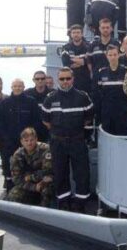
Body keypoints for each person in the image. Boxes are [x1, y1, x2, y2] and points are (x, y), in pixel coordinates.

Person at [41, 67, 94, 212]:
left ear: (73, 79)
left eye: (68, 78)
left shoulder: (82, 97)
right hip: (58, 143)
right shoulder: (50, 98)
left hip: (77, 141)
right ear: (58, 80)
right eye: (62, 79)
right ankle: (64, 201)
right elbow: (46, 121)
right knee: (60, 173)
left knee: (82, 173)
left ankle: (81, 202)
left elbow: (89, 118)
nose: (65, 81)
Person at [0, 79, 41, 192]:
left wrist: (31, 136)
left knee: (28, 161)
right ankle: (9, 184)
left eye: (20, 86)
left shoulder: (31, 102)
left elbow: (36, 119)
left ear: (23, 87)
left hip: (27, 140)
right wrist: (5, 137)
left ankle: (27, 185)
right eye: (15, 86)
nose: (17, 88)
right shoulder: (4, 103)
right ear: (11, 87)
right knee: (8, 162)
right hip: (9, 140)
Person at [7, 127, 53, 207]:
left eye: (32, 140)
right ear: (21, 142)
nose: (29, 143)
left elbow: (47, 172)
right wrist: (34, 187)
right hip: (29, 186)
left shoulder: (45, 149)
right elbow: (16, 179)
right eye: (26, 141)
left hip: (45, 183)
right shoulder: (17, 155)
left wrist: (30, 177)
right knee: (13, 196)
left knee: (47, 191)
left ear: (36, 139)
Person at [93, 45, 127, 135]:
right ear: (106, 56)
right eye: (110, 55)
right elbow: (97, 94)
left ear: (119, 55)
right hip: (107, 112)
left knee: (122, 138)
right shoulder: (101, 72)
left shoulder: (126, 71)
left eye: (115, 54)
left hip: (122, 112)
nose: (113, 57)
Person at [61, 25, 91, 94]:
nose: (76, 35)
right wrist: (82, 61)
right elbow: (66, 64)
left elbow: (90, 61)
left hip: (86, 81)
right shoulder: (65, 48)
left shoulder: (89, 46)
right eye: (74, 33)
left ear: (82, 34)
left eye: (78, 32)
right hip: (72, 81)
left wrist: (73, 59)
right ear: (71, 34)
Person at [23, 71, 52, 142]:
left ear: (45, 79)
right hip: (32, 132)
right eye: (37, 79)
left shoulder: (53, 94)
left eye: (42, 78)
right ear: (33, 80)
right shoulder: (26, 94)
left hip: (49, 131)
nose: (40, 80)